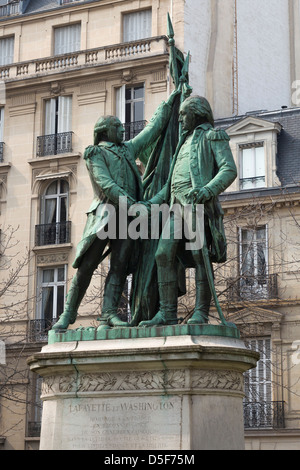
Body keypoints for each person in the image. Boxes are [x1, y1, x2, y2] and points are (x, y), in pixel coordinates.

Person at [52, 90, 179, 331]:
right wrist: (132, 205)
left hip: (128, 219)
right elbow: (106, 184)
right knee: (87, 265)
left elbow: (151, 130)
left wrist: (170, 101)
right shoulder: (95, 153)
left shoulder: (128, 149)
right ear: (105, 131)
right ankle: (67, 315)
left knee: (120, 267)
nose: (123, 130)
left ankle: (108, 314)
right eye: (118, 127)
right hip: (105, 214)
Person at [139, 95, 237, 327]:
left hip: (198, 206)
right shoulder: (182, 142)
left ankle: (201, 312)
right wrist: (149, 204)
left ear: (197, 113)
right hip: (176, 207)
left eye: (184, 114)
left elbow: (228, 169)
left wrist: (207, 190)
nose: (180, 119)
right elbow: (169, 186)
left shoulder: (213, 136)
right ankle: (167, 313)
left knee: (199, 257)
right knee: (163, 254)